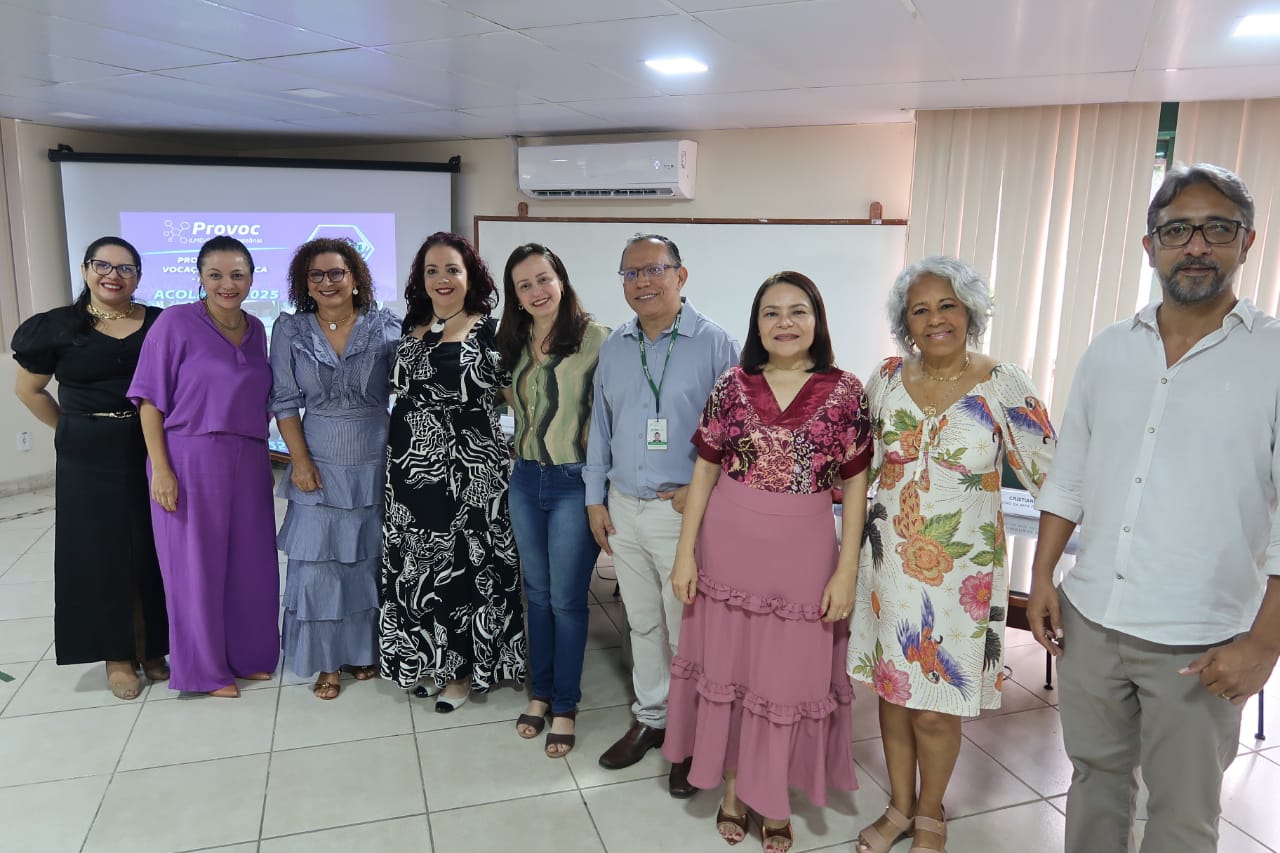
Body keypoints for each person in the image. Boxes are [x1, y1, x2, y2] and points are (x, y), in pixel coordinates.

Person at [1026, 163, 1280, 853]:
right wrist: (1044, 575)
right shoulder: (1110, 349)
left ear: (1246, 241)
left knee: (1183, 814)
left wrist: (1265, 641)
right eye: (1176, 231)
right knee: (1096, 780)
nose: (1195, 245)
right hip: (1093, 618)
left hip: (1201, 640)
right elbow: (1069, 473)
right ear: (1150, 247)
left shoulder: (1274, 355)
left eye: (1215, 228)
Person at [846, 256, 1056, 853]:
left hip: (961, 578)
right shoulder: (885, 379)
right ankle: (898, 805)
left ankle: (931, 811)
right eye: (920, 309)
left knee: (937, 707)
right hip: (887, 569)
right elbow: (856, 470)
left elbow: (1055, 478)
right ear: (904, 323)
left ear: (970, 313)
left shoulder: (1003, 383)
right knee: (893, 696)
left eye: (948, 306)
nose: (935, 319)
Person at [663, 272, 872, 851]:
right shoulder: (732, 384)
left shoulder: (847, 391)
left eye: (798, 311)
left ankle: (773, 794)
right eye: (771, 313)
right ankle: (733, 790)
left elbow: (855, 490)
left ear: (817, 320)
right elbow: (703, 471)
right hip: (727, 546)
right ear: (756, 325)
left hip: (804, 551)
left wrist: (846, 568)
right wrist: (685, 554)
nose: (785, 323)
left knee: (786, 679)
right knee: (729, 673)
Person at [585, 234, 738, 797]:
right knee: (642, 622)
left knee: (684, 630)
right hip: (623, 507)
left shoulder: (716, 344)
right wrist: (594, 497)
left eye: (654, 270)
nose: (642, 282)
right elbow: (599, 425)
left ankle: (691, 735)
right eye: (630, 274)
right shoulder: (616, 345)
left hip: (682, 513)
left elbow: (735, 436)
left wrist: (702, 490)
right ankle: (652, 718)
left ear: (681, 275)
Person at [11, 237, 169, 700]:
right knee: (99, 554)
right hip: (87, 455)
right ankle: (116, 655)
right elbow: (30, 391)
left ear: (138, 276)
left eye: (125, 268)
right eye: (103, 265)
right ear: (85, 270)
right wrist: (72, 428)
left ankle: (152, 647)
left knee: (153, 547)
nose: (113, 275)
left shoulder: (160, 323)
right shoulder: (58, 327)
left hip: (151, 449)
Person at [128, 235, 280, 698]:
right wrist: (162, 469)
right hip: (189, 458)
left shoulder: (257, 329)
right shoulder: (174, 323)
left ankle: (248, 655)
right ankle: (204, 671)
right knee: (194, 570)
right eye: (215, 274)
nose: (227, 284)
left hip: (251, 460)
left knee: (252, 563)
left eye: (237, 274)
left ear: (251, 277)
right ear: (199, 278)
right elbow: (149, 401)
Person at [379, 231, 525, 712]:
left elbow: (512, 395)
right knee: (419, 566)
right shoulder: (412, 325)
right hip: (410, 464)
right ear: (421, 279)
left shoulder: (493, 328)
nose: (442, 279)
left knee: (465, 568)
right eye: (432, 270)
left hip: (470, 468)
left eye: (452, 269)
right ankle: (427, 660)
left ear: (471, 276)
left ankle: (462, 673)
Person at [270, 238, 401, 700]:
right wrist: (300, 461)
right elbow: (284, 400)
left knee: (367, 559)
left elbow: (408, 390)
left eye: (337, 273)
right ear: (305, 283)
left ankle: (364, 650)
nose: (328, 282)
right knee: (319, 564)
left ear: (355, 277)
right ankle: (327, 661)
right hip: (318, 457)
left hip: (376, 455)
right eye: (316, 275)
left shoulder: (386, 326)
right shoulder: (291, 330)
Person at [496, 243, 609, 757]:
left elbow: (612, 418)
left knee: (566, 599)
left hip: (572, 483)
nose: (536, 291)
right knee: (535, 594)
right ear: (515, 297)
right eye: (524, 285)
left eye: (543, 279)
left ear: (560, 279)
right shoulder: (514, 344)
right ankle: (539, 694)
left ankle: (565, 704)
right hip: (523, 479)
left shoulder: (598, 340)